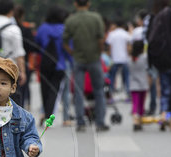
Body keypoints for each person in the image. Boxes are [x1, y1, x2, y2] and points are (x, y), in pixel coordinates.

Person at [63, 0, 110, 132]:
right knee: (99, 91)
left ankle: (80, 122)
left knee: (78, 92)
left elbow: (65, 41)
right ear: (88, 3)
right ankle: (100, 122)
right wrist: (99, 52)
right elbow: (101, 39)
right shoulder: (96, 18)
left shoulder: (70, 20)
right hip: (94, 58)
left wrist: (72, 53)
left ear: (75, 4)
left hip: (78, 59)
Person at [36, 5, 71, 126]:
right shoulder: (64, 29)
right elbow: (68, 49)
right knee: (54, 92)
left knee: (44, 90)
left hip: (45, 64)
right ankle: (47, 116)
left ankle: (45, 112)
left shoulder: (42, 28)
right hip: (59, 65)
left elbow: (37, 45)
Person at [14, 5, 36, 109]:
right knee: (24, 87)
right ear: (22, 16)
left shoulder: (10, 29)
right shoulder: (25, 30)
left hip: (9, 62)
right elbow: (32, 47)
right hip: (24, 61)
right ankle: (23, 106)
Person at [106, 19, 132, 100]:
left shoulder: (112, 34)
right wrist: (129, 54)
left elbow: (109, 47)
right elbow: (128, 47)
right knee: (126, 77)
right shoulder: (126, 34)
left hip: (114, 59)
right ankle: (128, 93)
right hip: (124, 58)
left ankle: (110, 94)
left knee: (112, 77)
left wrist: (109, 56)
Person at [128, 40, 149, 131]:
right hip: (143, 84)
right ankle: (140, 120)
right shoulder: (144, 58)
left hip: (133, 85)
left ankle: (135, 120)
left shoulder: (130, 59)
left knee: (135, 103)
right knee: (141, 104)